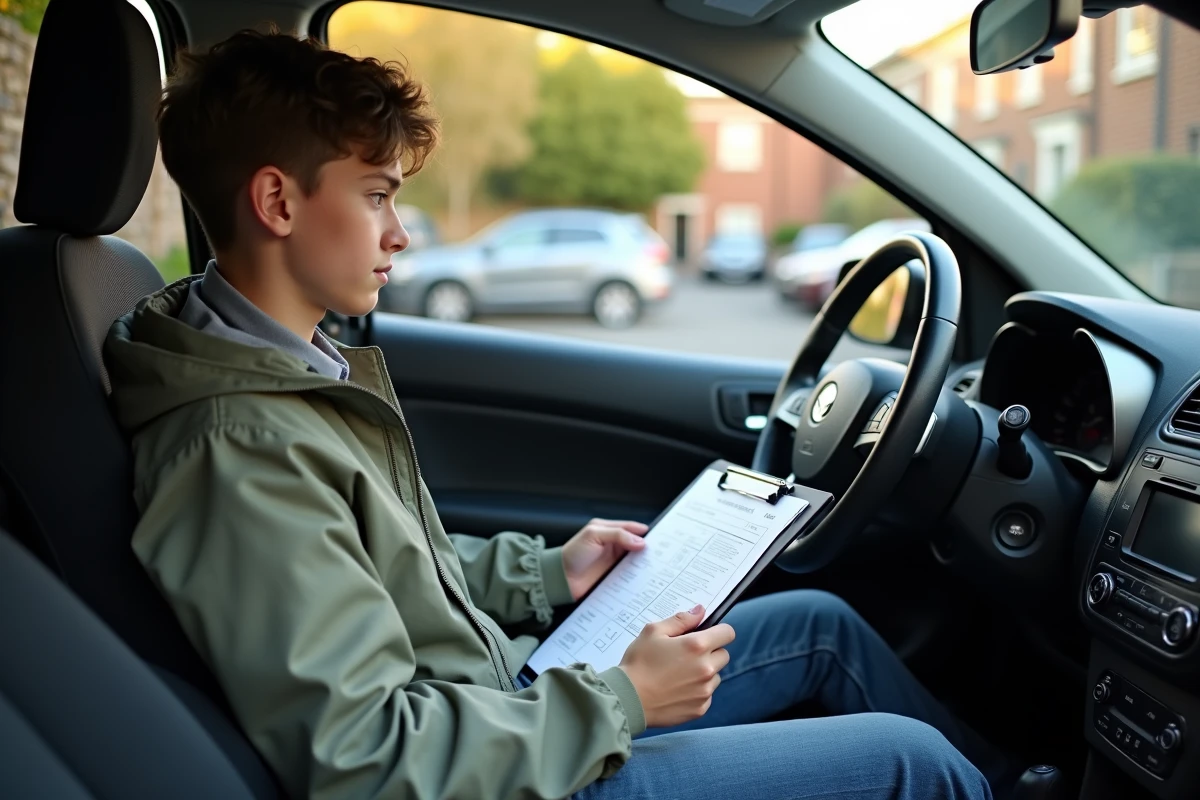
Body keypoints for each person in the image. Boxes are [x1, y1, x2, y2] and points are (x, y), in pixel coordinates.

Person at [104, 29, 1001, 800]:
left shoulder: (286, 373)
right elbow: (366, 759)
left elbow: (380, 570)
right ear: (277, 202)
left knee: (819, 624)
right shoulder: (239, 448)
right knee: (911, 763)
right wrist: (623, 699)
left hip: (503, 712)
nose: (400, 232)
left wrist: (546, 574)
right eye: (376, 195)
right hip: (500, 766)